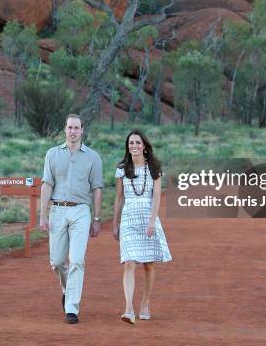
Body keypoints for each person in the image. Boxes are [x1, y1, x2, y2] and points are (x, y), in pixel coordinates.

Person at [39, 114, 103, 324]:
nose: (73, 131)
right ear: (65, 130)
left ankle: (72, 308)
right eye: (70, 128)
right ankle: (67, 290)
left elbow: (97, 189)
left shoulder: (93, 157)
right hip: (57, 210)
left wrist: (97, 218)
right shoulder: (52, 154)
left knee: (77, 260)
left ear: (82, 130)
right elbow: (47, 184)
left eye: (77, 128)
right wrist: (43, 214)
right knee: (57, 261)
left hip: (81, 211)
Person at [113, 129, 172, 324]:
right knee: (129, 262)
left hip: (148, 217)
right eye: (131, 143)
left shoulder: (154, 168)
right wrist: (115, 223)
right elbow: (119, 198)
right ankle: (129, 309)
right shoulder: (122, 168)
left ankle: (145, 303)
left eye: (138, 143)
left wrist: (152, 221)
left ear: (144, 146)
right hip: (129, 217)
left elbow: (156, 197)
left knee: (148, 264)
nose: (134, 146)